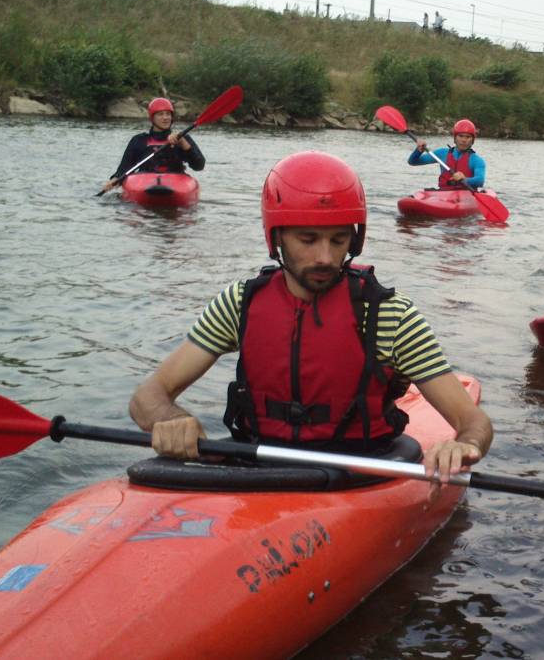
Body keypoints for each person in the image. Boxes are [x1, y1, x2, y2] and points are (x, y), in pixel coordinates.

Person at [128, 151, 493, 482]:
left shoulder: (391, 316)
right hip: (261, 464)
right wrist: (172, 420)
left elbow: (472, 422)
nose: (325, 257)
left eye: (338, 240)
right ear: (277, 237)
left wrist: (462, 445)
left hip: (359, 470)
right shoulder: (238, 303)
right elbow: (148, 397)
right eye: (307, 239)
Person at [101, 97, 205, 194]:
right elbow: (124, 168)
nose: (165, 118)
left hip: (176, 183)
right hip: (144, 182)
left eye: (168, 114)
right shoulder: (139, 140)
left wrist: (183, 143)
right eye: (160, 114)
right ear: (152, 118)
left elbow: (199, 166)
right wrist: (114, 180)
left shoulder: (183, 138)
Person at [408, 119, 486, 189]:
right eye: (461, 136)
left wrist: (465, 179)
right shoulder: (442, 153)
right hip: (444, 195)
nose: (464, 140)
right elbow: (413, 162)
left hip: (466, 196)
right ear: (455, 138)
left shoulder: (476, 160)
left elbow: (480, 181)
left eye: (467, 137)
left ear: (472, 140)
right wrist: (418, 151)